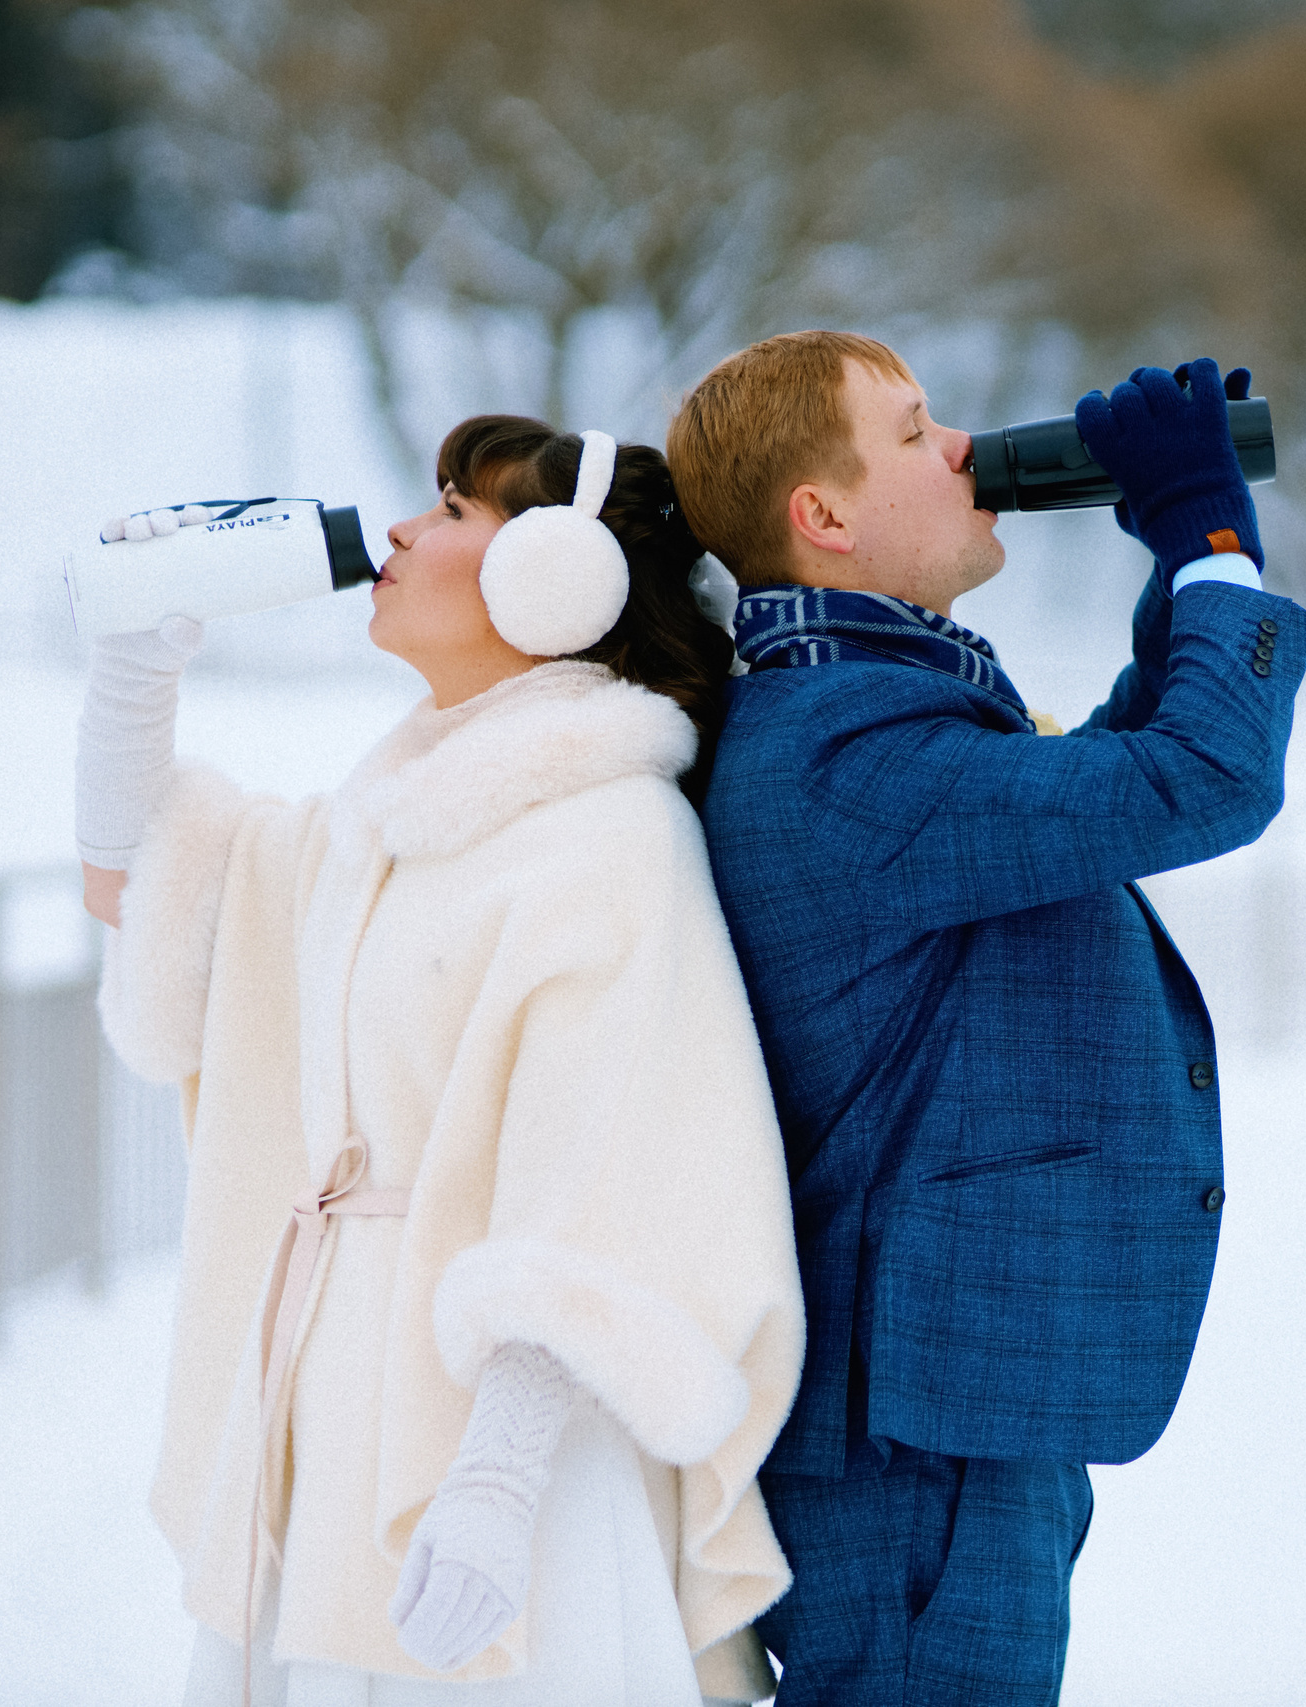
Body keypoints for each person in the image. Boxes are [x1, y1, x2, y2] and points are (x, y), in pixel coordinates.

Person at [72, 418, 803, 1707]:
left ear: (557, 574)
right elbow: (142, 893)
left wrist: (498, 1482)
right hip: (333, 1406)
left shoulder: (612, 837)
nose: (400, 532)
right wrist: (138, 664)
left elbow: (615, 1180)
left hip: (502, 1455)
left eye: (454, 510)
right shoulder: (386, 825)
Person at [664, 333, 1306, 1706]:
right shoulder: (848, 749)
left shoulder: (872, 713)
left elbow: (1113, 782)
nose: (962, 448)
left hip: (942, 1417)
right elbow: (1199, 778)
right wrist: (1207, 542)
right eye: (913, 432)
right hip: (916, 1443)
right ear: (822, 517)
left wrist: (1175, 560)